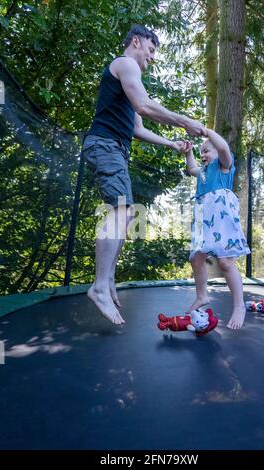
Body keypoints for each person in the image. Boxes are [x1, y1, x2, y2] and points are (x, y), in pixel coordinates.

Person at [82, 24, 207, 324]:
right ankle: (99, 286)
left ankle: (107, 280)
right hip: (105, 145)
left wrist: (172, 143)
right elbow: (145, 105)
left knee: (125, 215)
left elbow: (137, 127)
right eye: (150, 50)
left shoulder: (129, 78)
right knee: (122, 211)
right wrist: (184, 121)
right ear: (136, 42)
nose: (152, 58)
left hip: (115, 148)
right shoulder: (125, 64)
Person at [183, 129, 250, 329]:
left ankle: (239, 306)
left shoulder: (224, 166)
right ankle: (202, 297)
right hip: (204, 216)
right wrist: (188, 153)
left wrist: (206, 132)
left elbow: (222, 147)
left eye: (206, 151)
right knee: (196, 258)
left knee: (226, 262)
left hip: (221, 217)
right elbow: (192, 168)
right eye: (201, 152)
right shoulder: (203, 172)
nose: (203, 155)